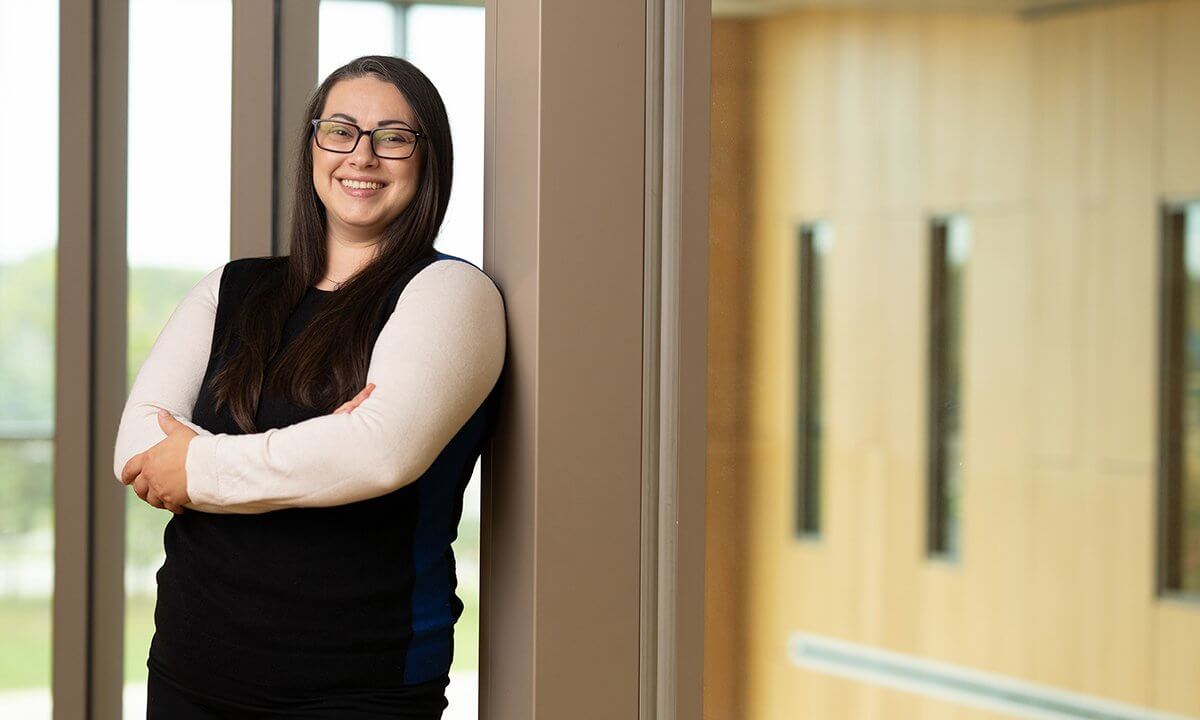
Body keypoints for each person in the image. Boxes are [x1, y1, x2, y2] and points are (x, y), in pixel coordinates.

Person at [112, 55, 506, 719]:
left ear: (427, 158)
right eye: (341, 130)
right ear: (313, 147)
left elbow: (379, 456)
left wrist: (200, 463)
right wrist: (318, 448)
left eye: (393, 137)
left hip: (356, 685)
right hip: (189, 667)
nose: (363, 155)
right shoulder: (234, 287)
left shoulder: (451, 294)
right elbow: (137, 446)